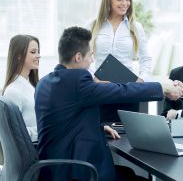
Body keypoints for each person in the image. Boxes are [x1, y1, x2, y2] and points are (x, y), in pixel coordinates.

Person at [35, 27, 175, 181]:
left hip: (54, 170)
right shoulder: (78, 81)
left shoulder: (44, 82)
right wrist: (161, 87)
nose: (92, 60)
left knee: (128, 173)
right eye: (90, 55)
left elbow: (64, 120)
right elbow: (123, 91)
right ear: (78, 57)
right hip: (76, 172)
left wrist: (97, 126)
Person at [88, 0, 151, 122]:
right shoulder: (92, 26)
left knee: (128, 134)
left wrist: (141, 79)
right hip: (100, 90)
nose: (125, 3)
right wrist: (93, 78)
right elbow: (81, 60)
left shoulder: (136, 27)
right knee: (102, 134)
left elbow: (146, 58)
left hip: (127, 90)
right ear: (108, 0)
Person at [3, 34, 40, 142]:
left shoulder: (32, 86)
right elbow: (14, 133)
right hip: (34, 150)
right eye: (33, 52)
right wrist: (44, 130)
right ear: (19, 55)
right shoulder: (13, 91)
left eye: (38, 51)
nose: (38, 56)